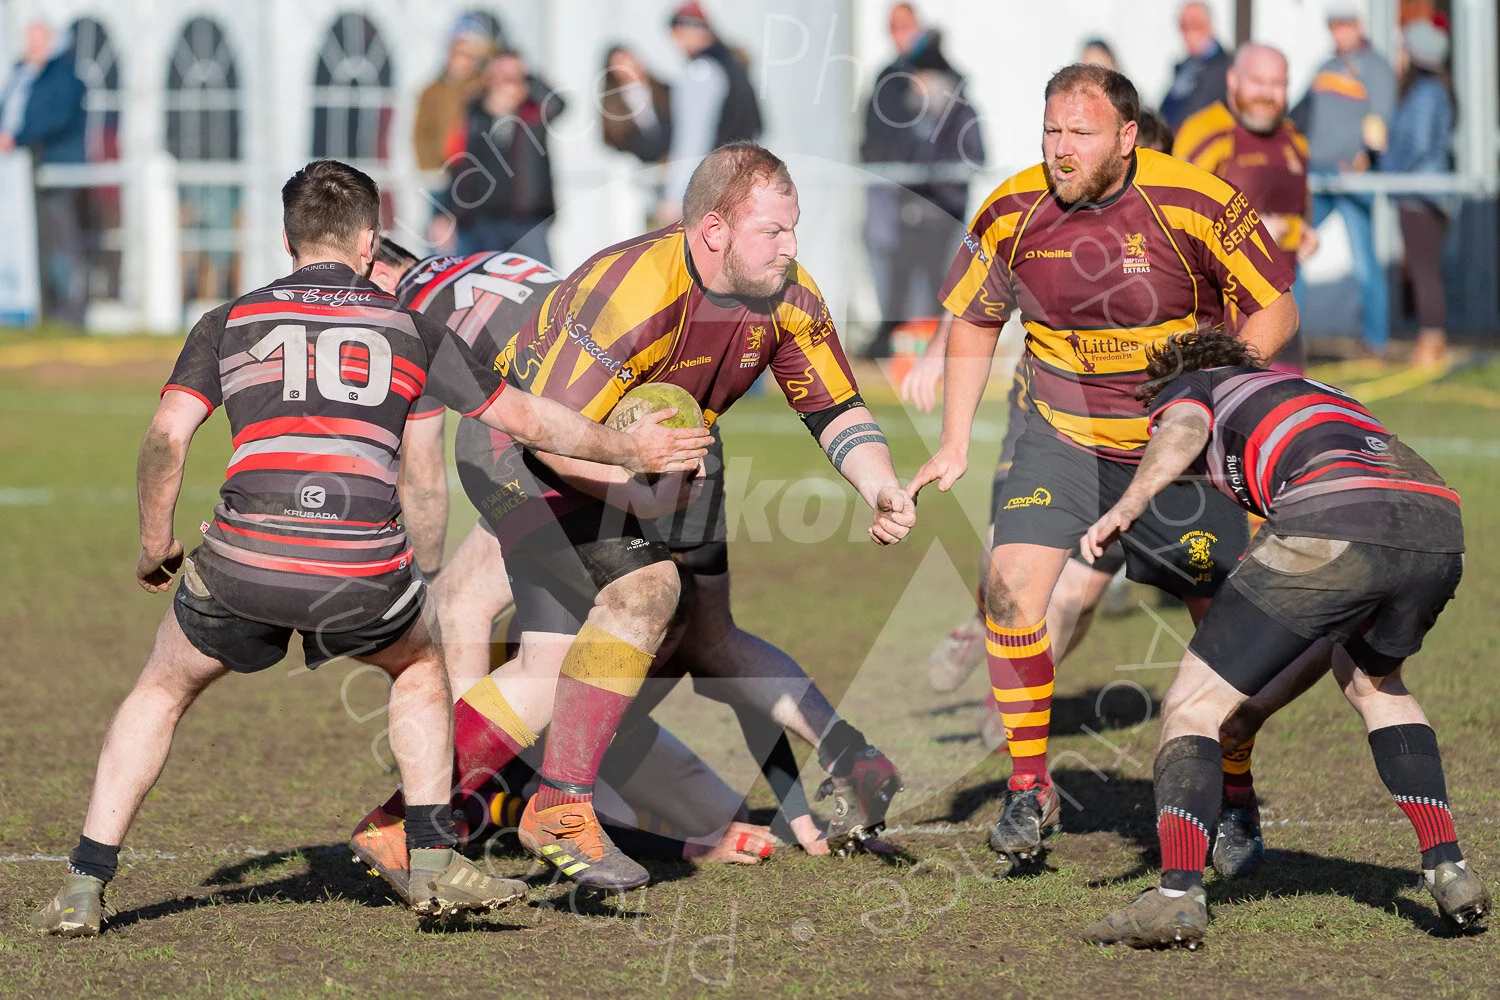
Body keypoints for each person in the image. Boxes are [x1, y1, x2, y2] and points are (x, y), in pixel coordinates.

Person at [27, 160, 712, 937]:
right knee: (419, 666)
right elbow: (528, 421)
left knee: (161, 689)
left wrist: (157, 545)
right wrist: (632, 454)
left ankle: (85, 881)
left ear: (288, 241)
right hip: (358, 563)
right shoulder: (414, 328)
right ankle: (429, 861)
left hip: (242, 555)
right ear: (367, 239)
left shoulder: (230, 319)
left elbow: (165, 439)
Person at [426, 141, 914, 892]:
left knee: (669, 636)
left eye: (794, 229)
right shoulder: (629, 293)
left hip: (667, 456)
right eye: (772, 232)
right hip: (520, 454)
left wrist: (878, 484)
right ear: (714, 229)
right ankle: (536, 803)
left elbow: (837, 408)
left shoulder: (790, 295)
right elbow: (548, 437)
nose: (791, 248)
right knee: (636, 598)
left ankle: (420, 819)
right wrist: (640, 489)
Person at [907, 64, 1298, 862]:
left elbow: (1277, 304)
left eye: (1079, 134)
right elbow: (976, 322)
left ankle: (1233, 793)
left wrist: (1222, 378)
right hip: (1064, 437)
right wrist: (953, 440)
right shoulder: (1012, 210)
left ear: (1126, 138)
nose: (1059, 150)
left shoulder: (1195, 201)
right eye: (1051, 132)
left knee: (1221, 632)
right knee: (1009, 592)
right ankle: (1027, 789)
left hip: (1177, 450)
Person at [1080, 329, 1489, 948]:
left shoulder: (1199, 386)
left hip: (1335, 517)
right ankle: (1448, 867)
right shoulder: (1311, 389)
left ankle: (1175, 895)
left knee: (1193, 707)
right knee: (1376, 684)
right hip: (1435, 521)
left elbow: (1185, 427)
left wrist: (1128, 504)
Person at [906, 115, 1180, 731]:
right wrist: (933, 355)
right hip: (1045, 420)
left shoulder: (1178, 228)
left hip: (1137, 441)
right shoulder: (1052, 216)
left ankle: (1011, 697)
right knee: (1009, 564)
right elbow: (983, 298)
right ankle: (987, 629)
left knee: (1079, 596)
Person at [1175, 43, 1318, 372]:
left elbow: (1296, 209)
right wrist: (1249, 231)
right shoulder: (1205, 132)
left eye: (1278, 84)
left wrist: (1303, 231)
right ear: (1233, 79)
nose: (1267, 94)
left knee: (1286, 412)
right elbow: (1174, 220)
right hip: (1223, 318)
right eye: (1258, 81)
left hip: (1282, 313)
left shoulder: (1294, 139)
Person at [858, 5, 985, 359]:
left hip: (943, 213)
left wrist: (940, 185)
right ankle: (899, 345)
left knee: (939, 287)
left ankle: (938, 350)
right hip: (909, 210)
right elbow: (889, 146)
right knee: (901, 283)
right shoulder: (905, 99)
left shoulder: (956, 110)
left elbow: (971, 155)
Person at [1292, 6, 1397, 359]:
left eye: (1344, 25)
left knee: (1364, 261)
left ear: (1358, 26)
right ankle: (1291, 336)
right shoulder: (1325, 67)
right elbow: (1301, 113)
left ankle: (1376, 342)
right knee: (1294, 247)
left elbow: (1381, 120)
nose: (1339, 32)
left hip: (1354, 176)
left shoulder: (1376, 66)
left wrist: (1364, 158)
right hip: (1316, 174)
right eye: (1333, 26)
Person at [439, 49, 565, 263]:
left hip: (528, 220)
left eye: (515, 75)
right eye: (503, 74)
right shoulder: (474, 114)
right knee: (487, 288)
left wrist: (529, 77)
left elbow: (560, 104)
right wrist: (448, 214)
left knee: (542, 288)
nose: (509, 81)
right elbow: (461, 166)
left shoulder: (533, 114)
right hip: (483, 221)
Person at [0, 19, 87, 325]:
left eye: (37, 40)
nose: (32, 46)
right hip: (20, 174)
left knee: (61, 242)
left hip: (55, 170)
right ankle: (44, 309)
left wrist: (17, 137)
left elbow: (53, 117)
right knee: (38, 244)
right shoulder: (20, 73)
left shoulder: (63, 76)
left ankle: (70, 312)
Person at [1383, 19, 1454, 369]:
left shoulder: (1426, 93)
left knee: (1425, 272)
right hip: (1421, 192)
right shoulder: (1431, 90)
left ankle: (1431, 343)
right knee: (1425, 270)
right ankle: (1431, 340)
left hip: (1420, 194)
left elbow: (1417, 143)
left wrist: (1386, 164)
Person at [658, 3, 763, 223]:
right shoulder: (732, 66)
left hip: (712, 190)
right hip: (740, 183)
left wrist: (676, 196)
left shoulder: (701, 71)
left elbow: (693, 138)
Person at [412, 17, 490, 174]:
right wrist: (431, 168)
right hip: (441, 170)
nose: (463, 60)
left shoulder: (483, 87)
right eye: (460, 53)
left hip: (476, 171)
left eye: (469, 55)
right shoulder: (432, 91)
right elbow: (421, 133)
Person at [1159, 3, 1230, 130]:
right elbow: (1164, 112)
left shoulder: (1226, 67)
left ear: (1209, 25)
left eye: (1195, 25)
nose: (1189, 32)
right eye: (1183, 26)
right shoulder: (1184, 68)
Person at [599, 45, 672, 166]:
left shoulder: (667, 92)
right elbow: (616, 139)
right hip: (642, 169)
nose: (629, 67)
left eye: (629, 60)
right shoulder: (613, 107)